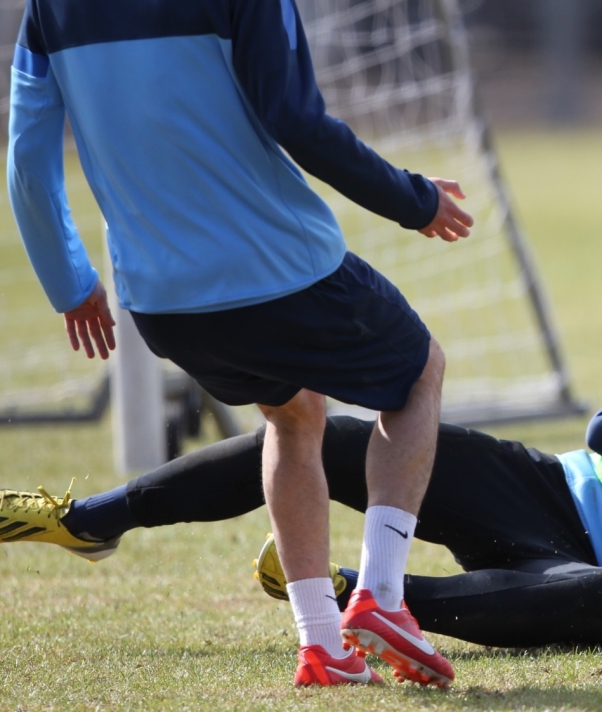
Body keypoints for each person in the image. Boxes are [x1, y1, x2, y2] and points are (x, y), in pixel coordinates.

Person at [1, 290, 602, 647]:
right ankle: (91, 517)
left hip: (593, 582)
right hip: (548, 489)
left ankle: (360, 594)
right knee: (328, 440)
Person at [6, 0, 474, 689]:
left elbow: (27, 153)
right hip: (279, 271)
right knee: (418, 372)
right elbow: (296, 120)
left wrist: (69, 281)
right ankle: (381, 596)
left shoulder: (50, 7)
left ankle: (322, 644)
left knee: (294, 414)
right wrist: (413, 199)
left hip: (161, 302)